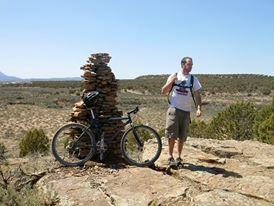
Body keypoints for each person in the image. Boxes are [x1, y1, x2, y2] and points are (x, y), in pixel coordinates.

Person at [161, 57, 202, 165]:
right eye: (189, 64)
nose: (191, 66)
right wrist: (171, 81)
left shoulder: (193, 79)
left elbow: (197, 95)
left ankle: (179, 157)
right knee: (171, 134)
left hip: (186, 111)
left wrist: (198, 108)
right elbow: (163, 91)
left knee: (182, 136)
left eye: (192, 64)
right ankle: (170, 156)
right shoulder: (174, 75)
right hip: (174, 109)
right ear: (183, 65)